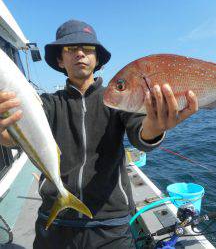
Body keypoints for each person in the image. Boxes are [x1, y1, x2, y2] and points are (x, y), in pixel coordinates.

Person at [0, 20, 198, 248]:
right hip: (55, 221)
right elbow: (18, 136)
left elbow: (141, 133)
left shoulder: (118, 99)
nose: (80, 54)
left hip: (111, 223)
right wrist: (4, 132)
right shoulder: (47, 104)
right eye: (70, 49)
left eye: (87, 48)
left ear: (97, 60)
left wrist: (156, 125)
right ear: (60, 60)